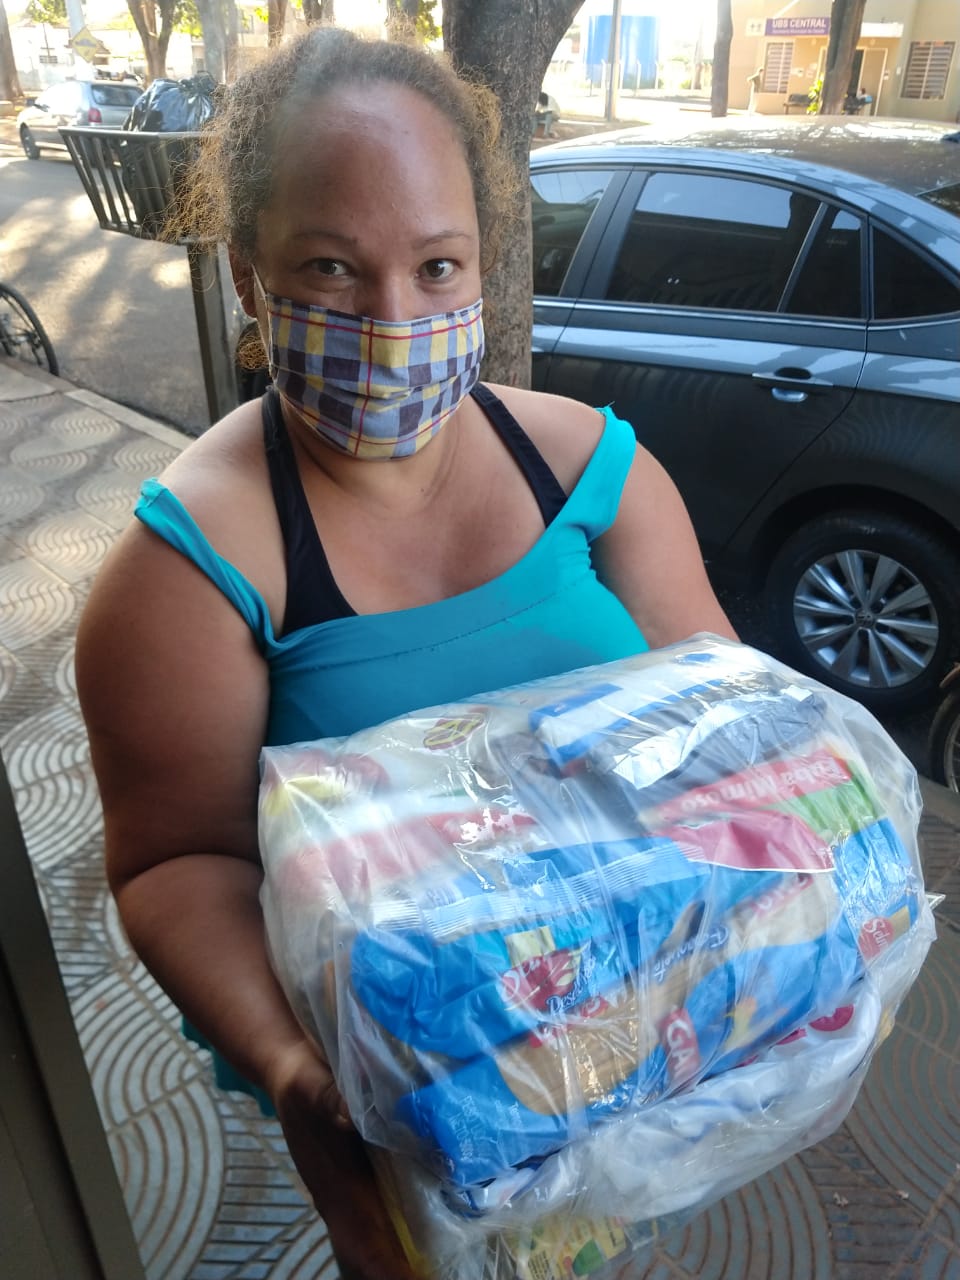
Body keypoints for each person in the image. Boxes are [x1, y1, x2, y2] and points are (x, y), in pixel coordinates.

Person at [75, 26, 737, 1280]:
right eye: (331, 267)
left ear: (483, 262)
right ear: (248, 273)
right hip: (401, 1110)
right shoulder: (189, 576)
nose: (395, 321)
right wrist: (300, 1074)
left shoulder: (594, 475)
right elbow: (174, 862)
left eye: (438, 266)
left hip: (649, 1043)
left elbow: (727, 726)